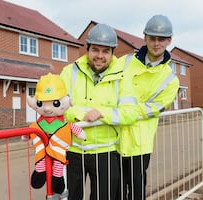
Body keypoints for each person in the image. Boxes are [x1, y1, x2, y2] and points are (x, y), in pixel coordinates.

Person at [60, 23, 139, 200]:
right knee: (71, 197)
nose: (100, 56)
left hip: (105, 151)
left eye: (105, 51)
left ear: (112, 54)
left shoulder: (123, 76)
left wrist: (103, 113)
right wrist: (80, 114)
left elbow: (131, 113)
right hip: (72, 150)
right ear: (87, 49)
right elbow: (57, 109)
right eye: (95, 50)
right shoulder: (68, 72)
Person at [116, 14, 180, 200]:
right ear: (145, 38)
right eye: (152, 38)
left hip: (139, 144)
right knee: (116, 191)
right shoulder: (124, 62)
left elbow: (153, 109)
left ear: (169, 40)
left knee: (136, 192)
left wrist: (123, 112)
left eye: (161, 39)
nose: (156, 43)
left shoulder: (170, 80)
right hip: (114, 138)